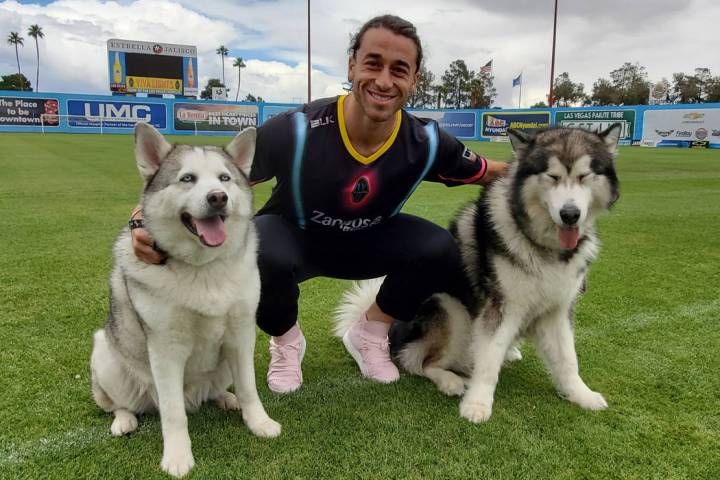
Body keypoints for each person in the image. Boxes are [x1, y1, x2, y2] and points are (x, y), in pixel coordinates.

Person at [132, 14, 508, 394]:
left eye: (399, 70)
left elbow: (489, 170)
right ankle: (287, 341)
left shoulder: (426, 141)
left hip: (370, 241)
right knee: (255, 244)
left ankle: (370, 332)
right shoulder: (296, 129)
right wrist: (139, 222)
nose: (383, 81)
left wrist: (548, 166)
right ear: (352, 66)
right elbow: (214, 171)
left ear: (414, 79)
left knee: (438, 249)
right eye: (373, 63)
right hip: (296, 240)